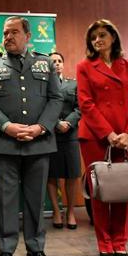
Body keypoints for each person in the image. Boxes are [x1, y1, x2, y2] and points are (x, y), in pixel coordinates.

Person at [0, 16, 62, 256]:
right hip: (5, 143)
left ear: (28, 36)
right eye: (5, 33)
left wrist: (40, 127)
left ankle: (36, 247)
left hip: (38, 142)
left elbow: (56, 98)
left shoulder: (45, 62)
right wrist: (7, 126)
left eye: (14, 32)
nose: (8, 37)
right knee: (5, 200)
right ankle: (6, 249)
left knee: (35, 198)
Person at [77, 19, 128, 256]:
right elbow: (86, 103)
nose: (98, 40)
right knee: (101, 191)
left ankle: (120, 242)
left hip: (127, 138)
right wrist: (108, 134)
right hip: (96, 137)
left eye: (102, 35)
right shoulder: (84, 66)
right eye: (93, 37)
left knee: (123, 191)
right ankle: (104, 242)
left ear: (113, 37)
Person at [46, 52, 81, 230]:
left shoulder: (73, 83)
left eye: (60, 61)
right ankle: (56, 211)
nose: (57, 64)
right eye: (53, 61)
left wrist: (69, 122)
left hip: (70, 134)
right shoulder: (43, 84)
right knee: (52, 175)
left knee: (72, 174)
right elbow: (41, 107)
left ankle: (71, 212)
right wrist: (56, 123)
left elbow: (80, 107)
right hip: (51, 134)